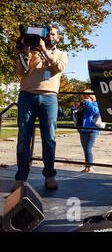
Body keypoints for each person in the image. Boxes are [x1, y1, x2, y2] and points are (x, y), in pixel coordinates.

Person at [12, 24, 68, 191]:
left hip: (49, 98)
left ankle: (50, 175)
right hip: (27, 96)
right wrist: (25, 52)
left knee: (49, 138)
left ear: (58, 38)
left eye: (53, 34)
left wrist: (44, 50)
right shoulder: (30, 51)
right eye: (48, 33)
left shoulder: (61, 54)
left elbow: (59, 68)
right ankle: (21, 177)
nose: (50, 36)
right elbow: (20, 73)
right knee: (23, 137)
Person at [78, 90, 100, 173]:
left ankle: (90, 167)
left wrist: (88, 103)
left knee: (88, 148)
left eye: (85, 96)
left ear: (90, 96)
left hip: (92, 129)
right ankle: (87, 166)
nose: (84, 98)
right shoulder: (84, 104)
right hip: (83, 129)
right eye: (83, 96)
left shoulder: (95, 103)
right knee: (85, 149)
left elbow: (95, 111)